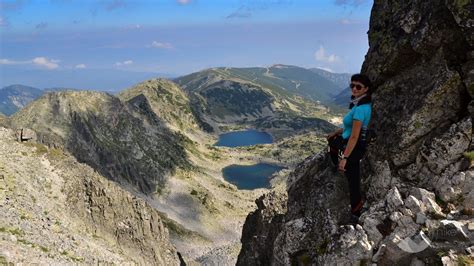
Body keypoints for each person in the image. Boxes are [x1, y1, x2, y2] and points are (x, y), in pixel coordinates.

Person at [327, 74, 373, 223]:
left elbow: (354, 136)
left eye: (358, 86)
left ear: (366, 89)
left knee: (353, 181)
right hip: (349, 140)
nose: (354, 88)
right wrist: (336, 132)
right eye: (352, 85)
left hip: (354, 145)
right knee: (332, 142)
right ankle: (356, 208)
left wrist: (345, 158)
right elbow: (349, 127)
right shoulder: (359, 104)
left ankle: (356, 212)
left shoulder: (361, 109)